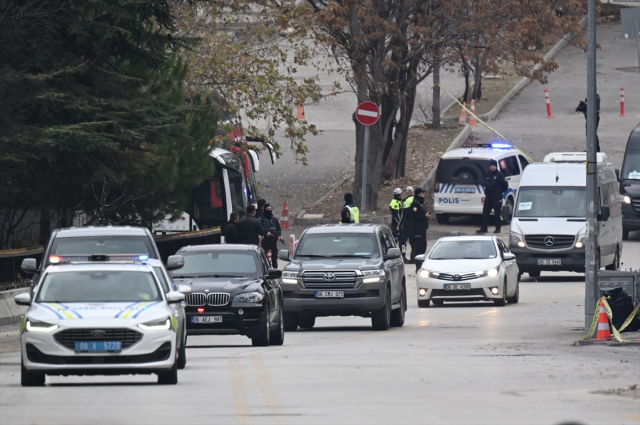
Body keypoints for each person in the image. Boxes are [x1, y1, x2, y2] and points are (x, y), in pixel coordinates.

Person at [476, 159, 508, 234]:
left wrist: (499, 192)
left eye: (493, 166)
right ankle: (483, 228)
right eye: (491, 166)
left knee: (497, 213)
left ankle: (497, 228)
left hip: (497, 197)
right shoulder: (487, 174)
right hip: (489, 196)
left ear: (496, 166)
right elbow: (485, 183)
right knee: (485, 212)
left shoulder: (499, 175)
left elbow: (505, 185)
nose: (492, 167)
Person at [409, 187, 431, 272]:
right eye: (423, 193)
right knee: (419, 249)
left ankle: (420, 267)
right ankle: (418, 268)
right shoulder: (415, 204)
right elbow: (414, 217)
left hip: (422, 229)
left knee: (423, 247)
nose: (424, 194)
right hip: (417, 230)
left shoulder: (420, 204)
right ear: (419, 194)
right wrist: (424, 216)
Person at [259, 203, 283, 268]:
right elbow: (259, 229)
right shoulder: (261, 219)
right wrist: (266, 233)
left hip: (273, 240)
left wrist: (279, 236)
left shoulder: (274, 219)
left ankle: (275, 269)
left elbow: (278, 228)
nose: (269, 210)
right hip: (265, 240)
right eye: (268, 209)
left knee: (274, 257)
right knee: (264, 256)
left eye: (270, 209)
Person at [398, 186, 415, 262]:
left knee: (402, 242)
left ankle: (403, 256)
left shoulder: (406, 201)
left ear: (406, 193)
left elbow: (403, 215)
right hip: (415, 225)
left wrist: (399, 225)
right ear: (413, 192)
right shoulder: (416, 200)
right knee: (413, 242)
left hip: (407, 225)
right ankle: (413, 258)